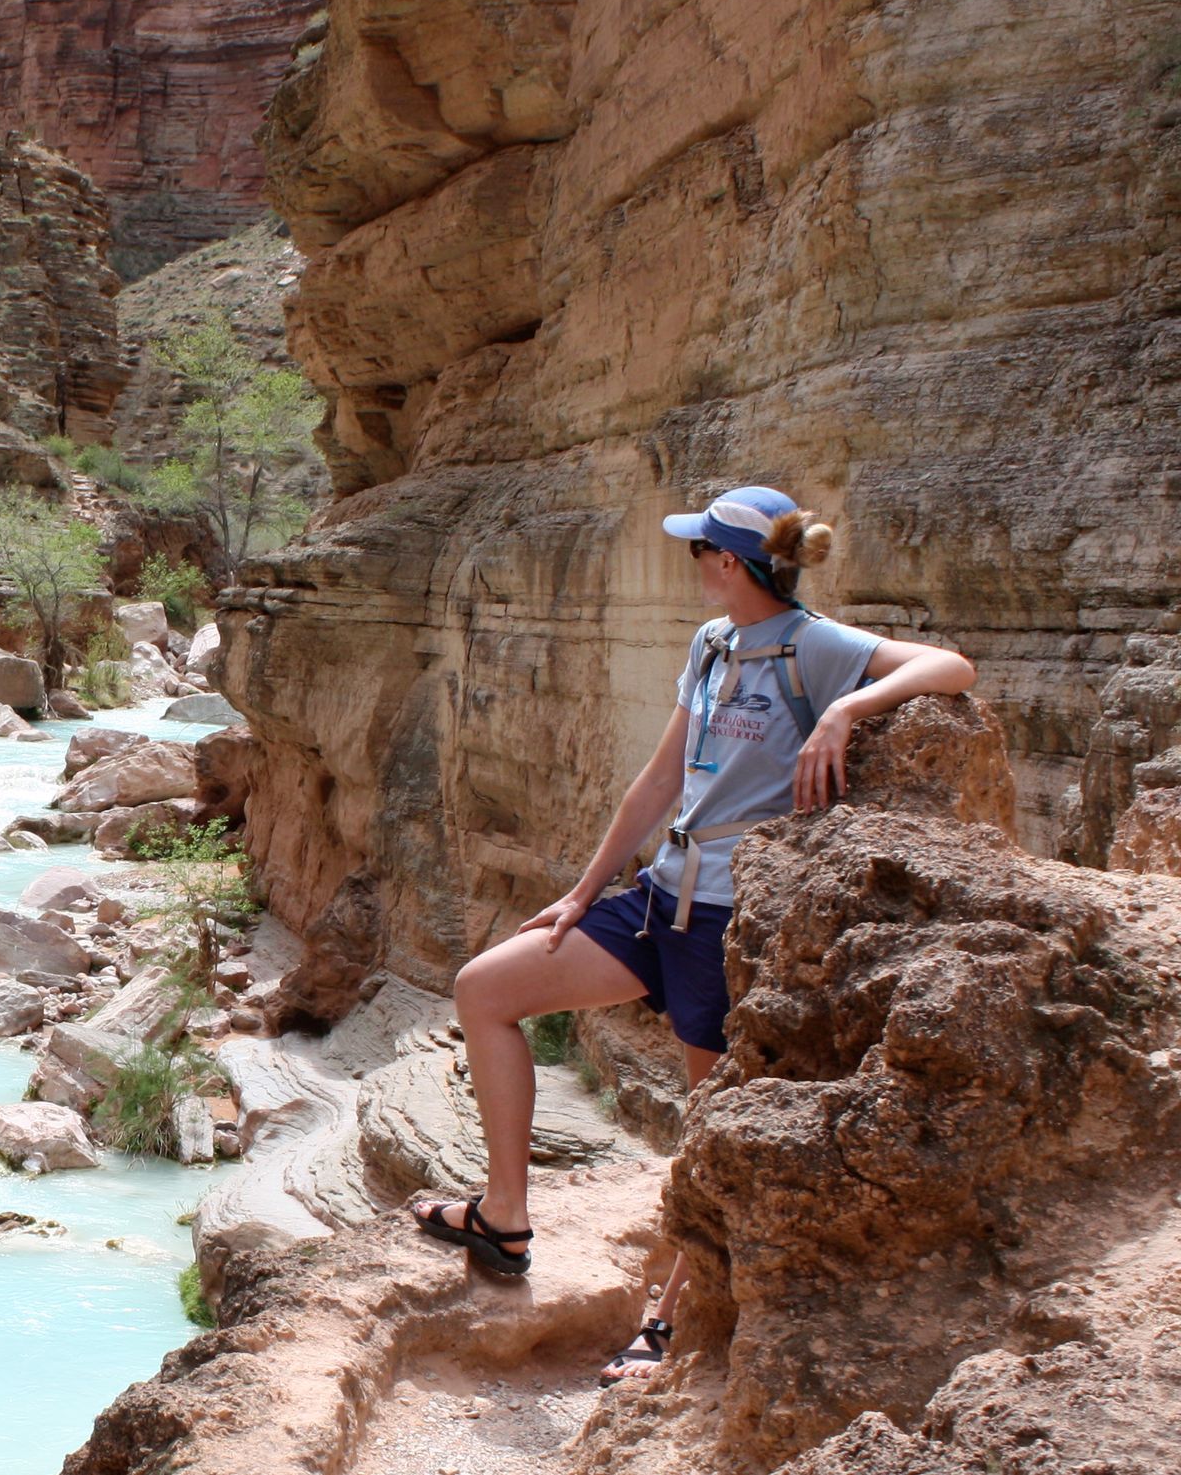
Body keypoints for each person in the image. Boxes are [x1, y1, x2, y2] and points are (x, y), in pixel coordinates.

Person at [408, 486, 977, 1385]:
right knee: (486, 988)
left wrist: (844, 710)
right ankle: (504, 1215)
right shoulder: (710, 646)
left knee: (710, 1123)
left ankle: (670, 1319)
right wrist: (580, 892)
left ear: (728, 564)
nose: (693, 566)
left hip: (727, 921)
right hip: (658, 893)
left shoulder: (815, 646)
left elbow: (950, 666)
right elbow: (659, 779)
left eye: (697, 553)